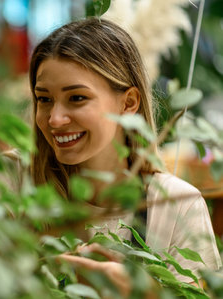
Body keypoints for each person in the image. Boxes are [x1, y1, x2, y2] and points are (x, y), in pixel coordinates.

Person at [28, 17, 221, 294]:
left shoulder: (177, 205)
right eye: (44, 99)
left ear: (128, 102)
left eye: (77, 98)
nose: (55, 119)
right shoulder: (17, 184)